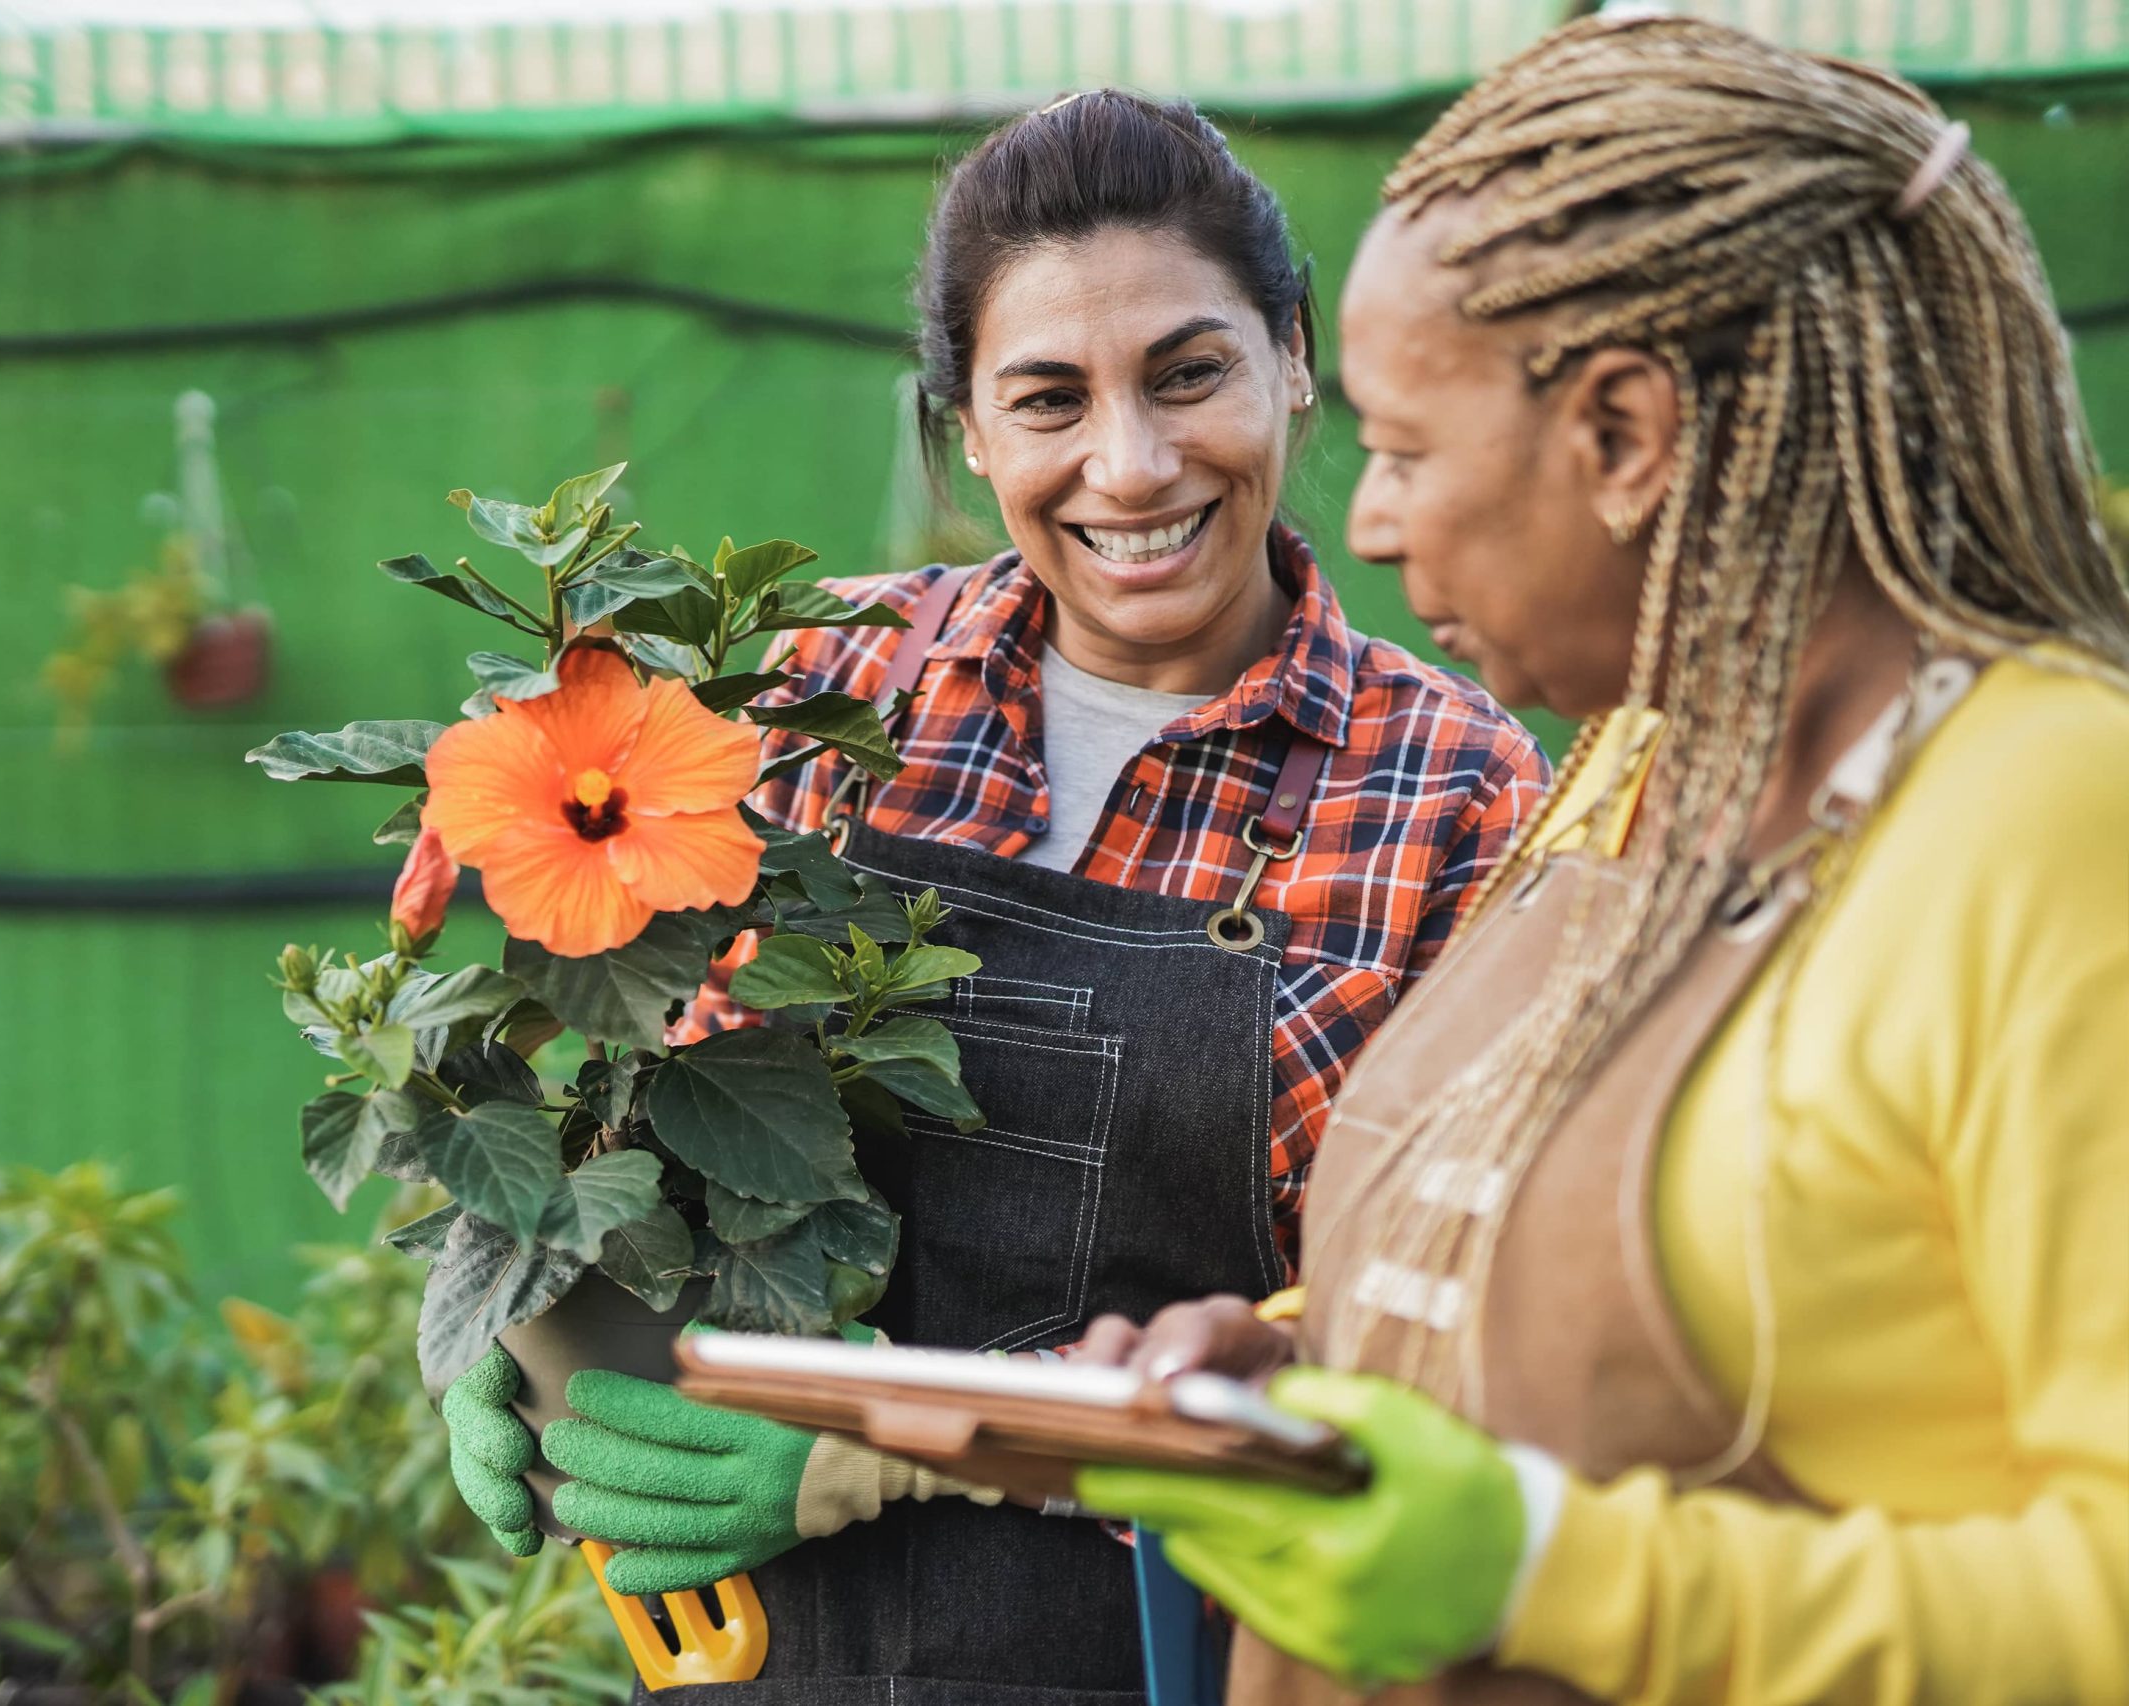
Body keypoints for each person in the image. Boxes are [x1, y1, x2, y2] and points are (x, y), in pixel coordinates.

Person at [434, 90, 1550, 1698]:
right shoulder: (823, 690)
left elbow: (1436, 1335)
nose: (1132, 464)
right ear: (966, 423)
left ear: (1294, 357)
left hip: (1174, 1647)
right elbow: (646, 1099)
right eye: (1048, 399)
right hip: (769, 1655)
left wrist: (907, 1442)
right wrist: (520, 1316)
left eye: (1190, 373)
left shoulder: (1453, 793)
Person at [1073, 17, 2129, 1704]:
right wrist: (1287, 1374)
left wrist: (1550, 1570)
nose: (1369, 521)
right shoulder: (1634, 768)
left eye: (1410, 448)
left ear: (1627, 433)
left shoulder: (2056, 823)